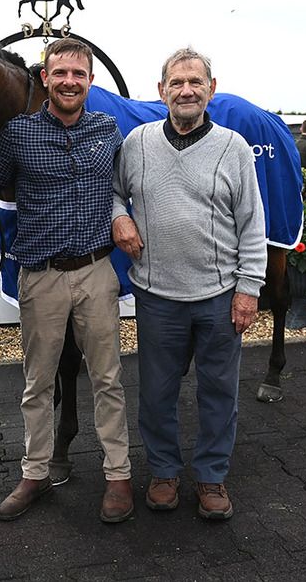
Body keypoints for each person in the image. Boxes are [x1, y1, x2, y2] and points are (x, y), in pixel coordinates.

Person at [0, 38, 133, 524]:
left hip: (96, 274)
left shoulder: (108, 130)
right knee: (37, 384)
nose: (69, 81)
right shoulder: (18, 134)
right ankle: (36, 472)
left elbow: (124, 189)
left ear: (90, 81)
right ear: (45, 78)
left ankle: (119, 475)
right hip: (41, 278)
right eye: (59, 73)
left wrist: (122, 215)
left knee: (108, 379)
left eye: (78, 74)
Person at [111, 48, 267, 521]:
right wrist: (120, 217)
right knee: (156, 391)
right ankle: (163, 472)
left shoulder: (234, 148)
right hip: (158, 296)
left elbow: (252, 224)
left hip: (220, 296)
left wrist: (249, 288)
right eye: (176, 83)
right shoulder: (136, 143)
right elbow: (115, 192)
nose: (186, 90)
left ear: (211, 89)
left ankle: (212, 476)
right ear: (161, 91)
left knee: (218, 391)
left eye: (195, 82)